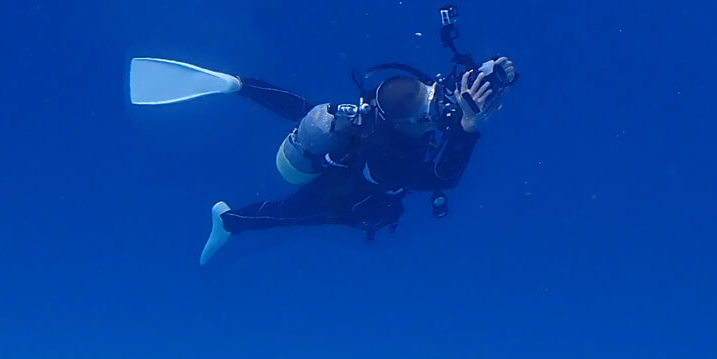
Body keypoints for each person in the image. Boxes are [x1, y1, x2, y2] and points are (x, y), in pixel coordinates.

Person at [129, 54, 517, 265]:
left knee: (312, 110)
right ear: (409, 122)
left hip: (350, 145)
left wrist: (489, 74)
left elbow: (438, 97)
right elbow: (441, 177)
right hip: (353, 190)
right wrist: (466, 127)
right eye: (431, 107)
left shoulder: (380, 108)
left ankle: (238, 85)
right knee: (290, 213)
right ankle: (228, 222)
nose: (440, 103)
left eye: (432, 92)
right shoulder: (392, 160)